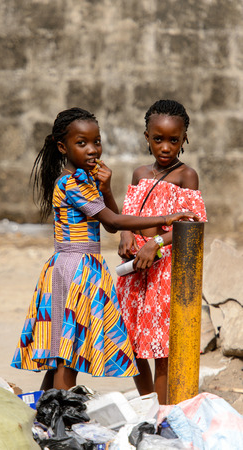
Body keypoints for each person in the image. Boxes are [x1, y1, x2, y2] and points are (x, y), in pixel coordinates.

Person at [11, 106, 199, 391]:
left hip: (85, 269)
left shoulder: (86, 180)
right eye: (82, 143)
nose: (92, 150)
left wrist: (107, 188)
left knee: (66, 350)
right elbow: (113, 220)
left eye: (96, 142)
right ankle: (60, 419)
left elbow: (112, 225)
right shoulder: (71, 183)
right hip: (72, 269)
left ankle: (47, 417)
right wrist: (164, 219)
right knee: (66, 355)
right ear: (63, 146)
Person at [116, 99, 207, 404]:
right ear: (147, 137)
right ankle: (147, 407)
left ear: (185, 139)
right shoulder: (140, 173)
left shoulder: (186, 176)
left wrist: (154, 244)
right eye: (158, 139)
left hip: (163, 271)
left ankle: (163, 412)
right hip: (134, 270)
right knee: (130, 341)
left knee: (160, 346)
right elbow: (127, 214)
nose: (165, 147)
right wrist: (126, 236)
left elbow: (192, 225)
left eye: (173, 140)